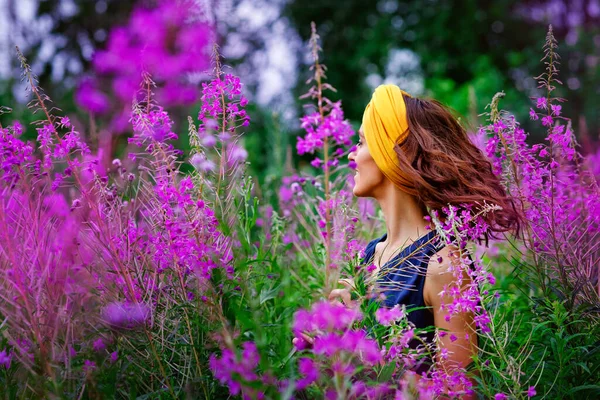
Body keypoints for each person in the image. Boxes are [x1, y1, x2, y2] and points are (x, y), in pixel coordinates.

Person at [330, 84, 522, 397]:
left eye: (362, 142)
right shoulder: (367, 257)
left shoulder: (444, 264)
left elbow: (459, 392)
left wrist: (364, 342)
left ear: (391, 152)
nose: (352, 153)